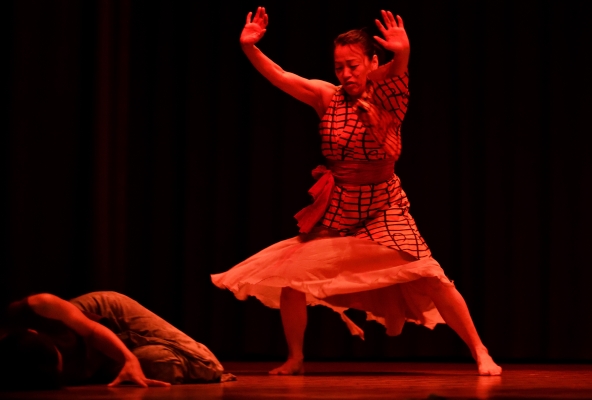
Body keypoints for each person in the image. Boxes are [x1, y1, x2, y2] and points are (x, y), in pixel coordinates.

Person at [211, 7, 502, 376]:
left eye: (353, 65)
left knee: (431, 276)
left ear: (371, 62)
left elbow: (397, 72)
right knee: (292, 276)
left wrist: (403, 53)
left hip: (384, 206)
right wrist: (250, 48)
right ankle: (295, 358)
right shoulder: (327, 97)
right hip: (340, 207)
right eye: (339, 67)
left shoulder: (388, 95)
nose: (346, 73)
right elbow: (281, 76)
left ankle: (480, 351)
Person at [0, 291, 233, 391]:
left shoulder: (39, 305)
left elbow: (92, 330)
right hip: (92, 363)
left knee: (207, 365)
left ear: (33, 331)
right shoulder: (23, 371)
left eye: (60, 353)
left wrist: (128, 359)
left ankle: (138, 349)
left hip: (103, 318)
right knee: (162, 365)